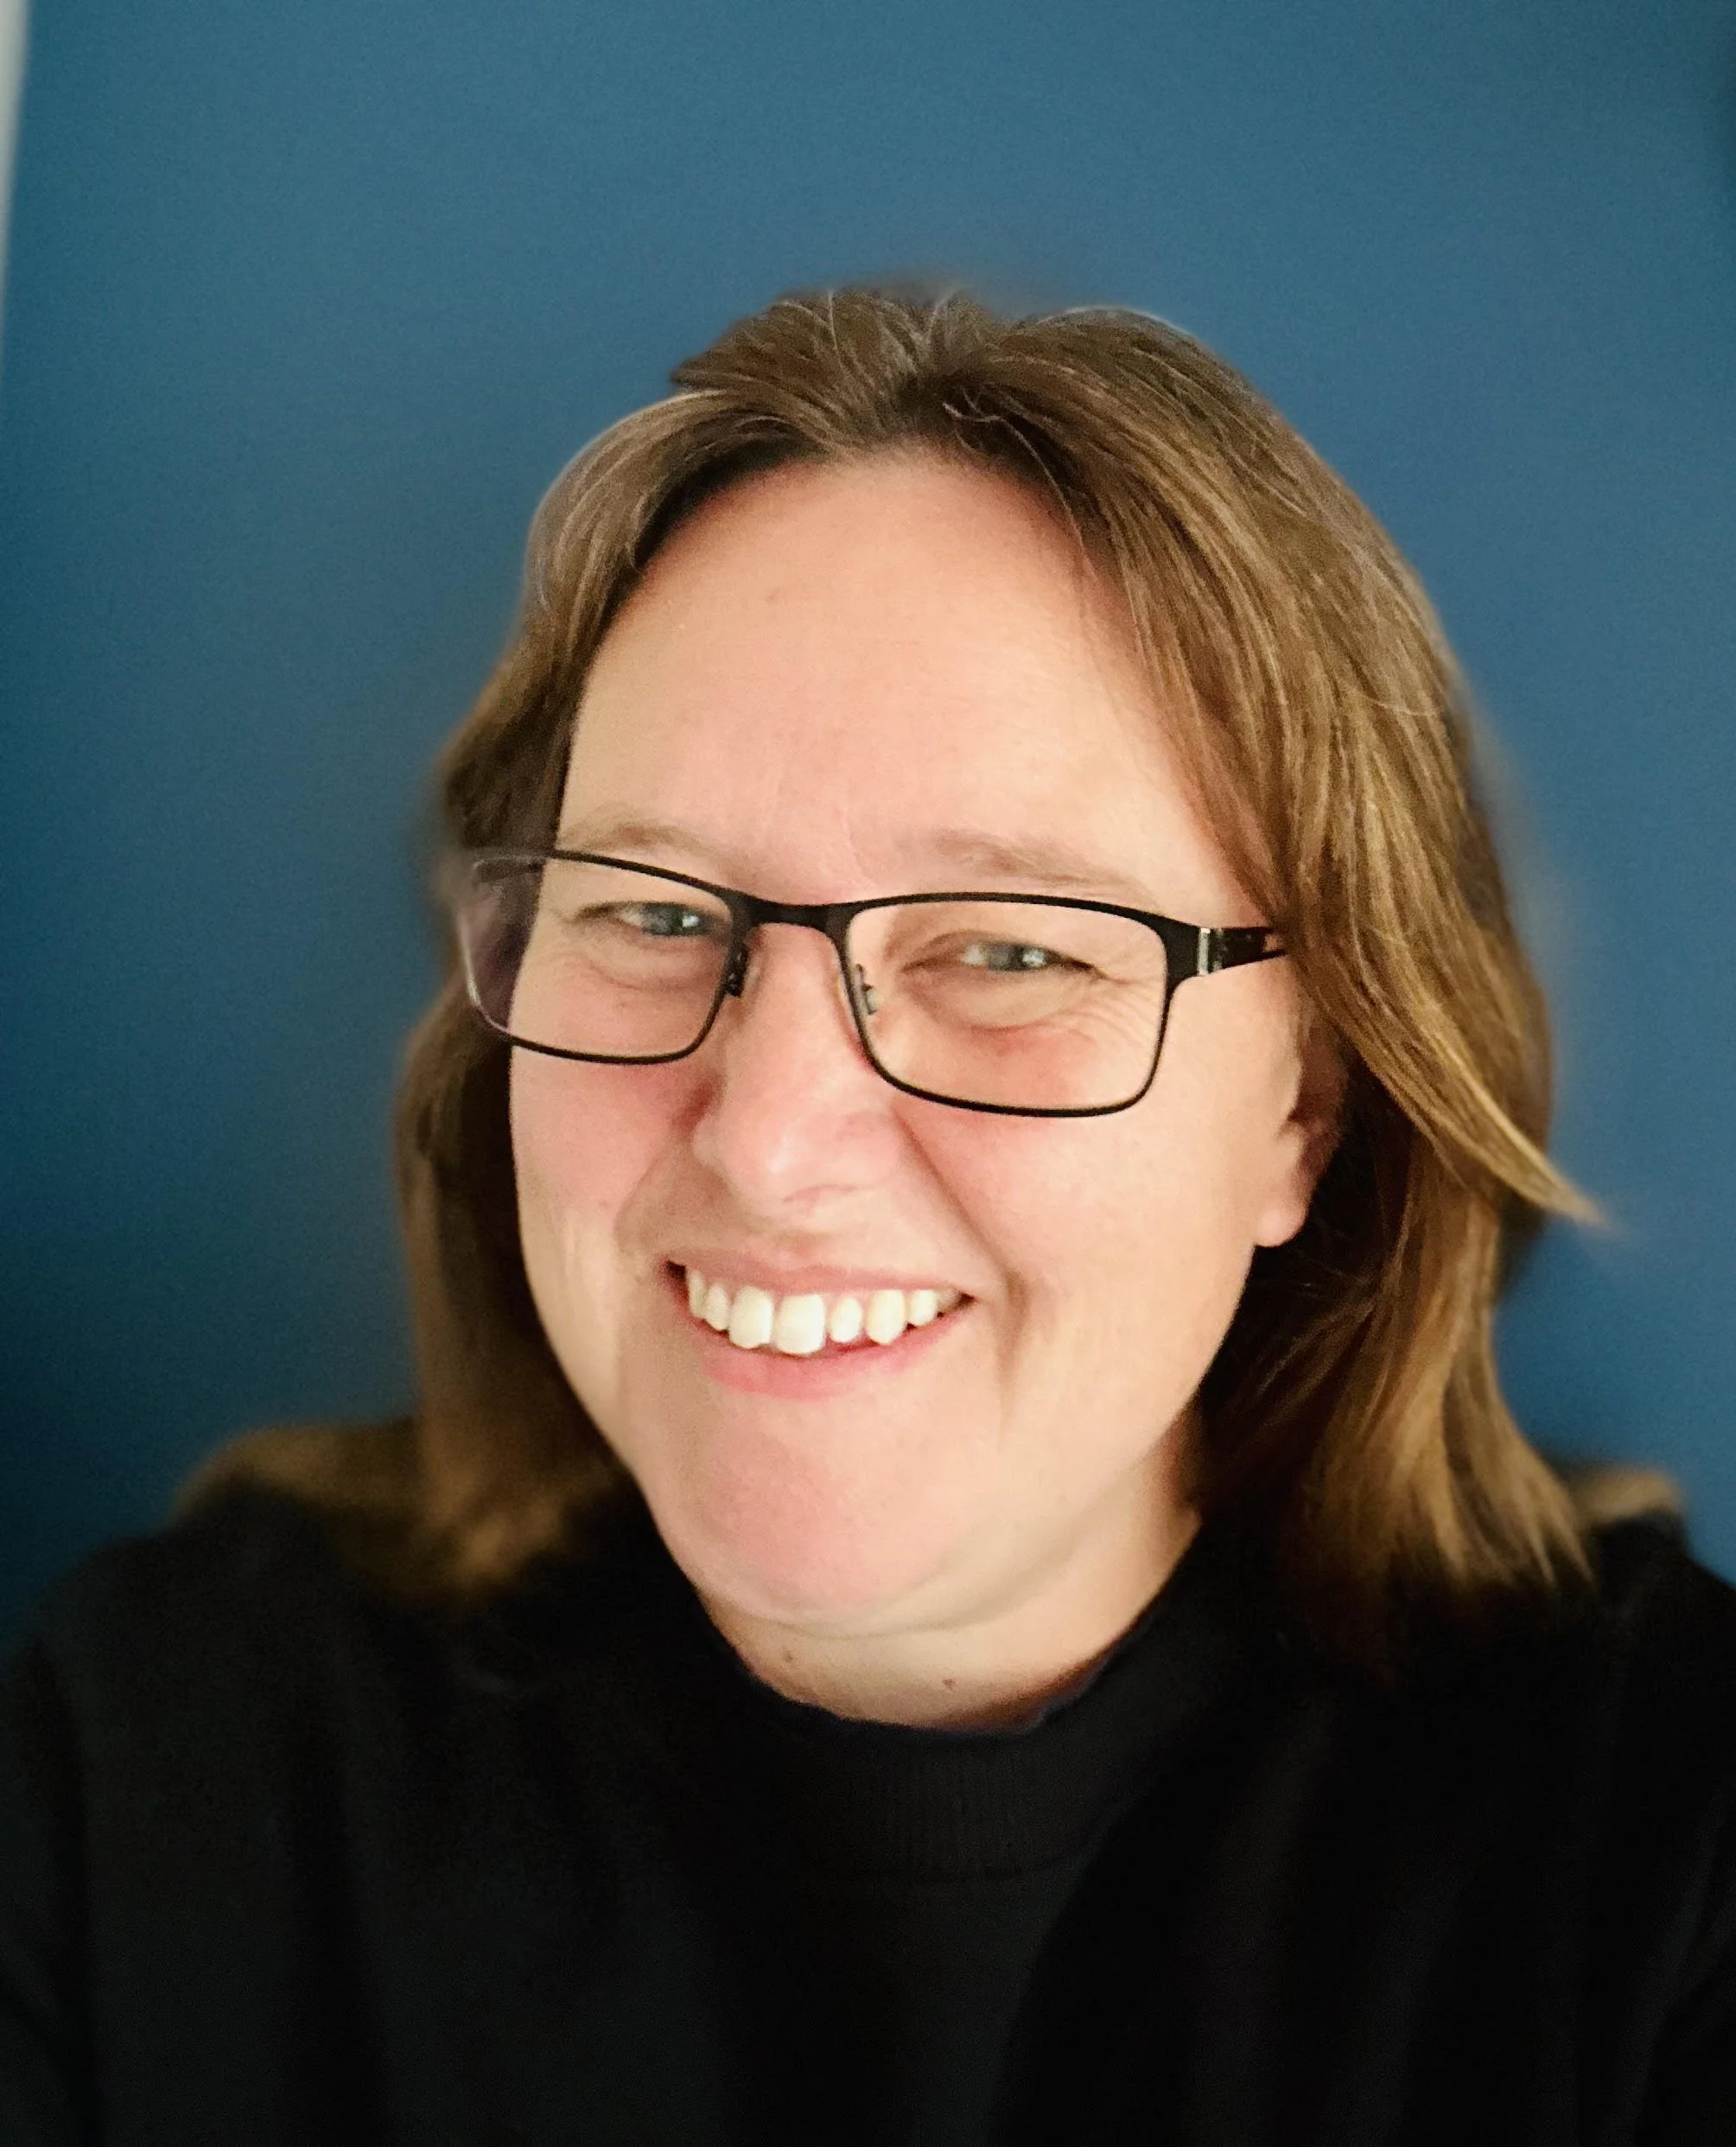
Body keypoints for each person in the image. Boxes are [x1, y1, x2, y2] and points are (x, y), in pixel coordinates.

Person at [2, 288, 1733, 2145]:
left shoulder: (1660, 1861)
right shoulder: (160, 1764)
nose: (767, 1142)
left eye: (1004, 951)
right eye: (655, 915)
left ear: (1302, 1109)